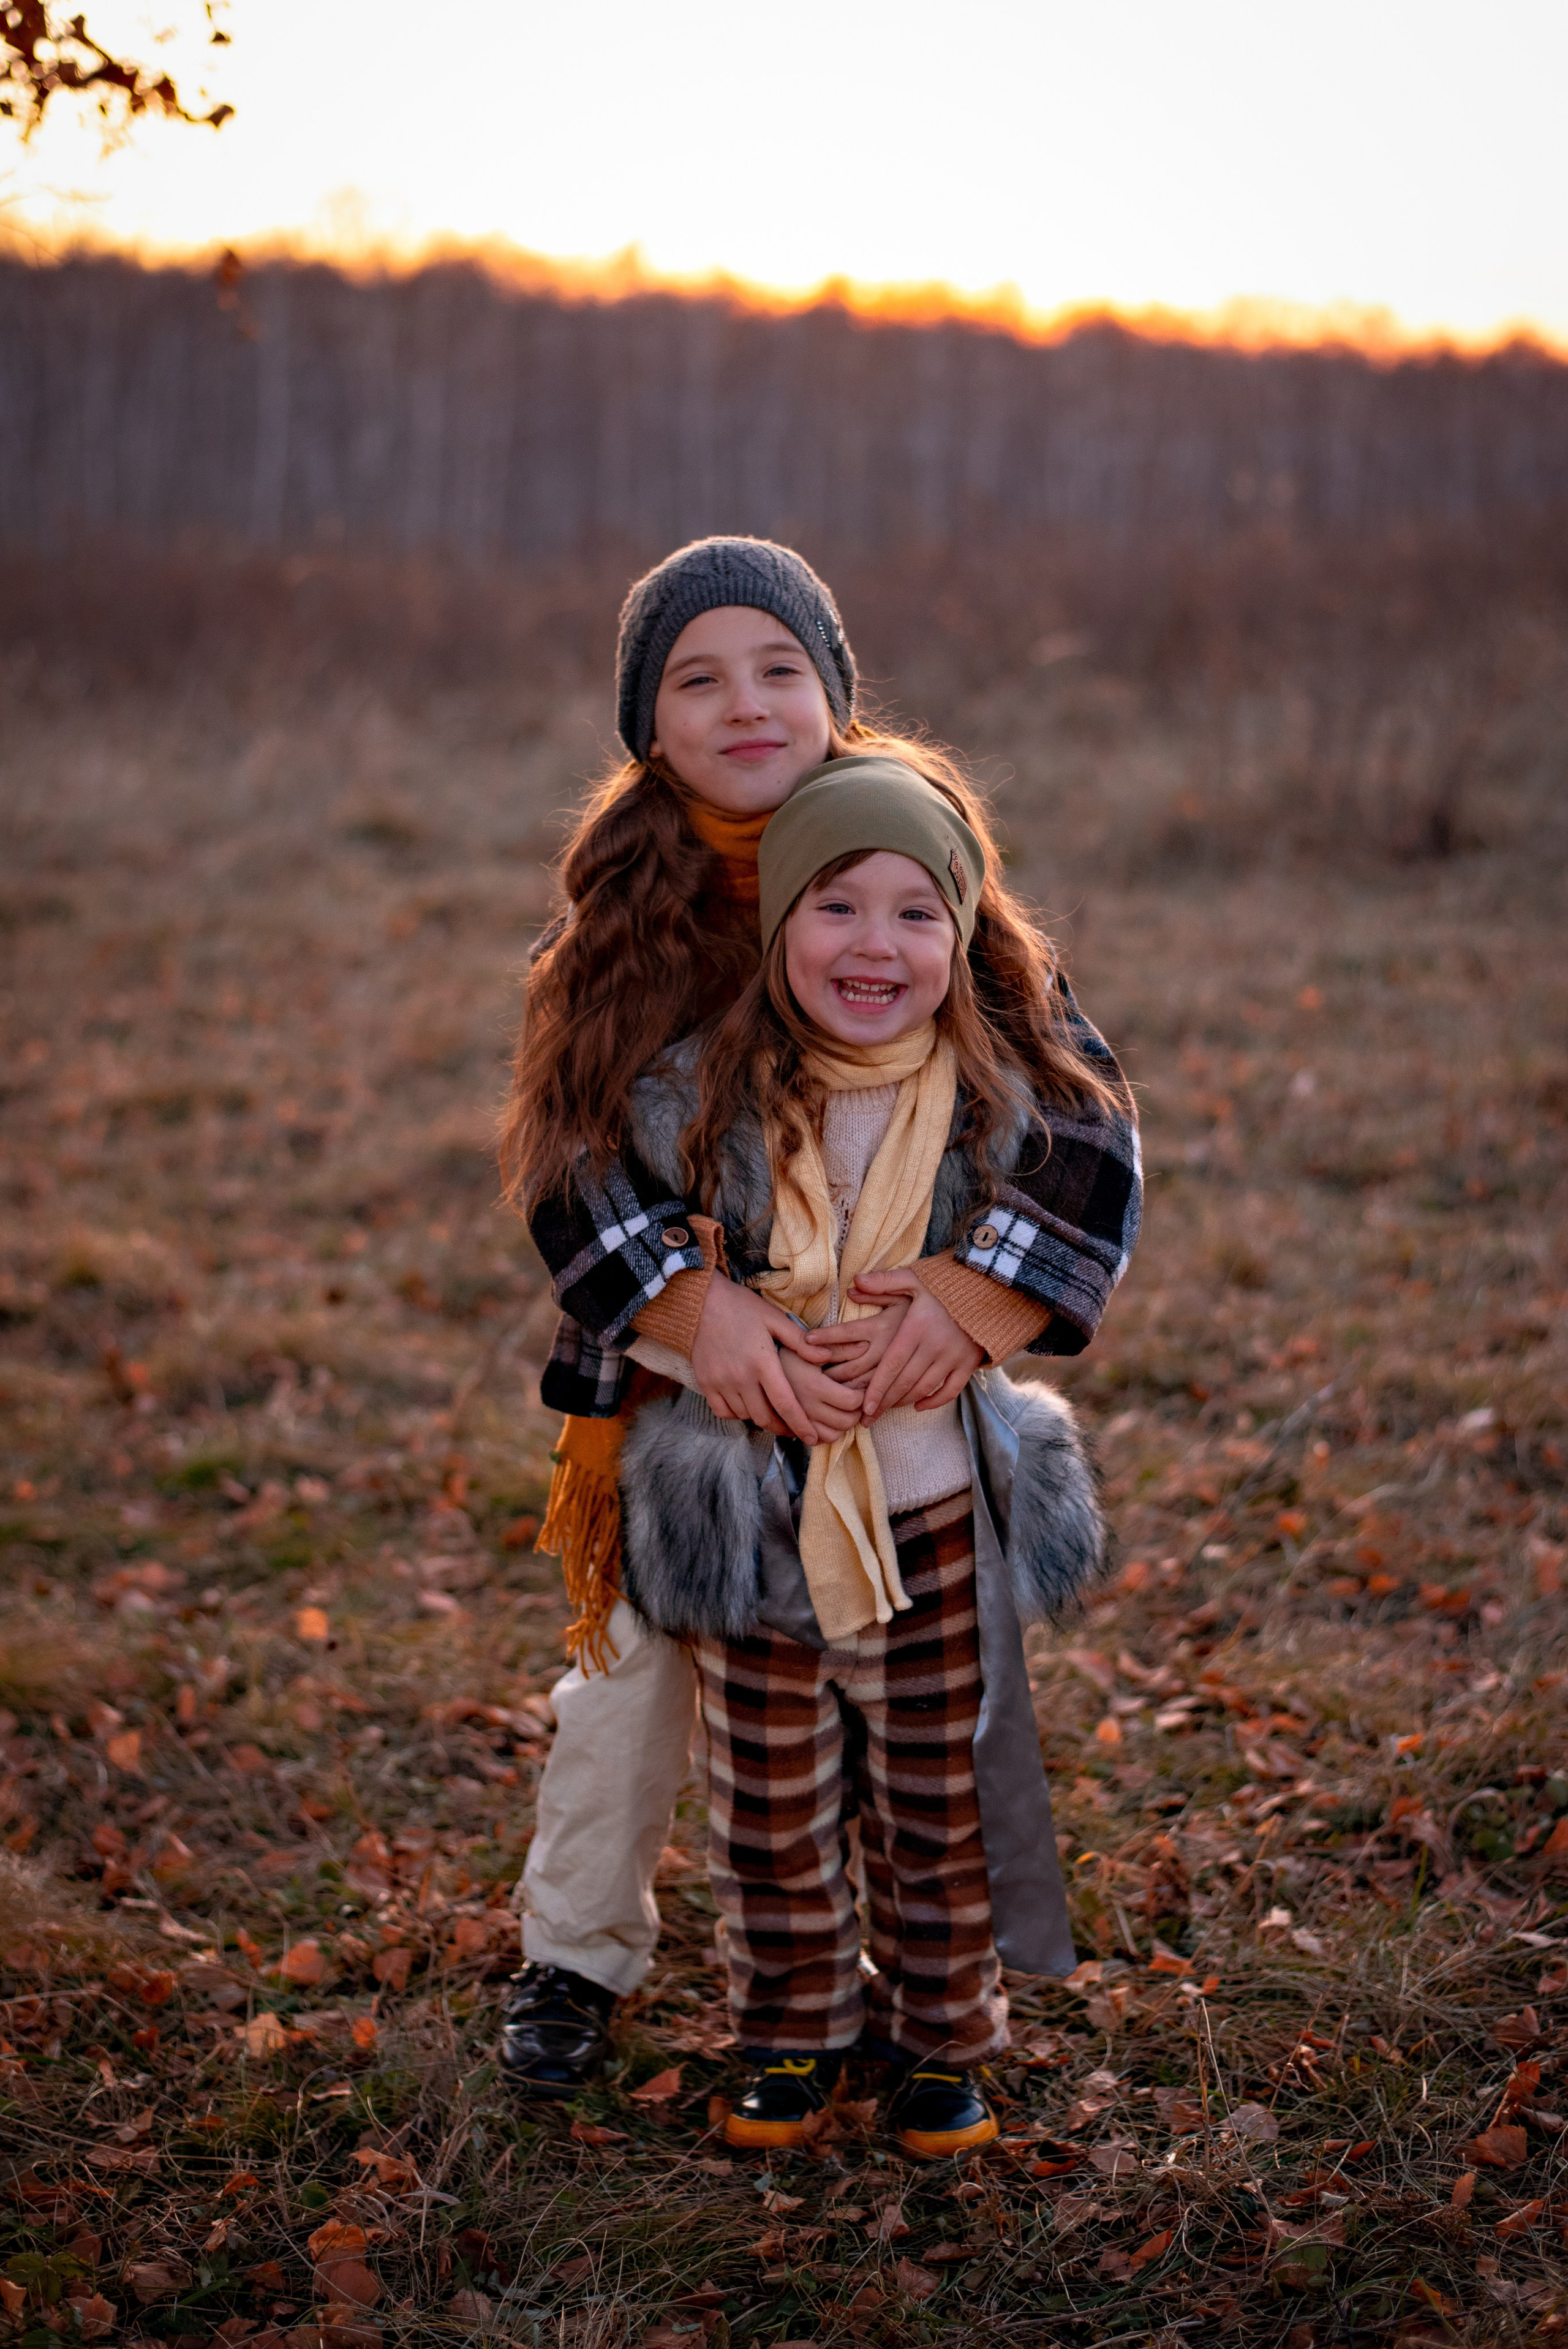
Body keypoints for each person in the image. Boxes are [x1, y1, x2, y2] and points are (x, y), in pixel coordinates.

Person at [497, 538, 1141, 2100]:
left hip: (890, 1379)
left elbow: (1083, 1116)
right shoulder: (617, 918)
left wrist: (986, 1293)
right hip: (686, 1373)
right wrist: (687, 1306)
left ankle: (922, 2004)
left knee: (903, 1706)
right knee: (641, 1679)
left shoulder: (906, 858)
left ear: (835, 687)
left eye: (779, 666)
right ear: (648, 723)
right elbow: (565, 1153)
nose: (745, 703)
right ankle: (575, 1958)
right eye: (696, 678)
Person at [611, 758, 1133, 2156]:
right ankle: (790, 2027)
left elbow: (1092, 1192)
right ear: (776, 924)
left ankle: (940, 2036)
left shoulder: (998, 1095)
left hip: (935, 1502)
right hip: (752, 1505)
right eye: (836, 905)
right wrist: (699, 1321)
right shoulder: (694, 1093)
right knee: (769, 1805)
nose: (874, 945)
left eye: (916, 914)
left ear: (961, 939)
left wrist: (973, 1298)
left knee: (932, 1795)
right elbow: (619, 1244)